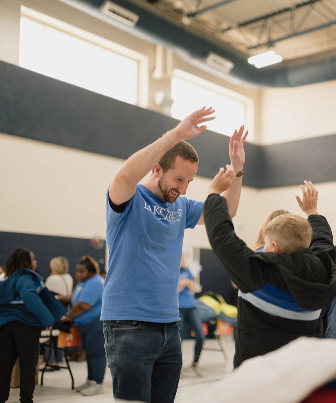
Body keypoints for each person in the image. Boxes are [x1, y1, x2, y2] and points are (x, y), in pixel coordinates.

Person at [102, 106, 247, 403]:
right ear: (157, 169)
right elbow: (125, 174)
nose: (183, 189)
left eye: (189, 182)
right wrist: (176, 134)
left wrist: (238, 170)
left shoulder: (180, 207)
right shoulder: (129, 198)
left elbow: (227, 211)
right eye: (179, 179)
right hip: (128, 324)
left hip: (169, 325)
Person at [204, 178, 336, 368]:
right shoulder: (324, 268)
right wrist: (312, 212)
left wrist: (213, 194)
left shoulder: (258, 272)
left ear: (274, 247)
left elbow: (221, 236)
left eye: (265, 242)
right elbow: (324, 240)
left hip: (259, 374)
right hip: (305, 370)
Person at [0, 248, 66, 403]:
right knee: (28, 366)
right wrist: (47, 319)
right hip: (26, 326)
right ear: (25, 263)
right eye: (33, 259)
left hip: (5, 326)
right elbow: (29, 296)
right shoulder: (25, 277)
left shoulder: (6, 278)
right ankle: (26, 400)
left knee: (4, 365)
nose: (35, 262)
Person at [59, 256, 105, 396]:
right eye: (77, 271)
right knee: (89, 353)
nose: (78, 274)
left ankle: (97, 383)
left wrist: (68, 317)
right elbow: (74, 297)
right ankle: (90, 380)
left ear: (90, 272)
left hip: (95, 324)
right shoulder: (83, 282)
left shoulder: (95, 282)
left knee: (96, 354)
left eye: (81, 271)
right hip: (85, 325)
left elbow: (82, 305)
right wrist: (56, 298)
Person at [177, 254, 204, 377]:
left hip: (192, 306)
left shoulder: (188, 271)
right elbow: (172, 291)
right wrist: (181, 284)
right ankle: (177, 367)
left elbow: (193, 289)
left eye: (184, 258)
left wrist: (189, 283)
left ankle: (195, 363)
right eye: (182, 258)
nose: (184, 260)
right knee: (179, 338)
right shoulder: (171, 271)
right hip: (178, 308)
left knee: (200, 335)